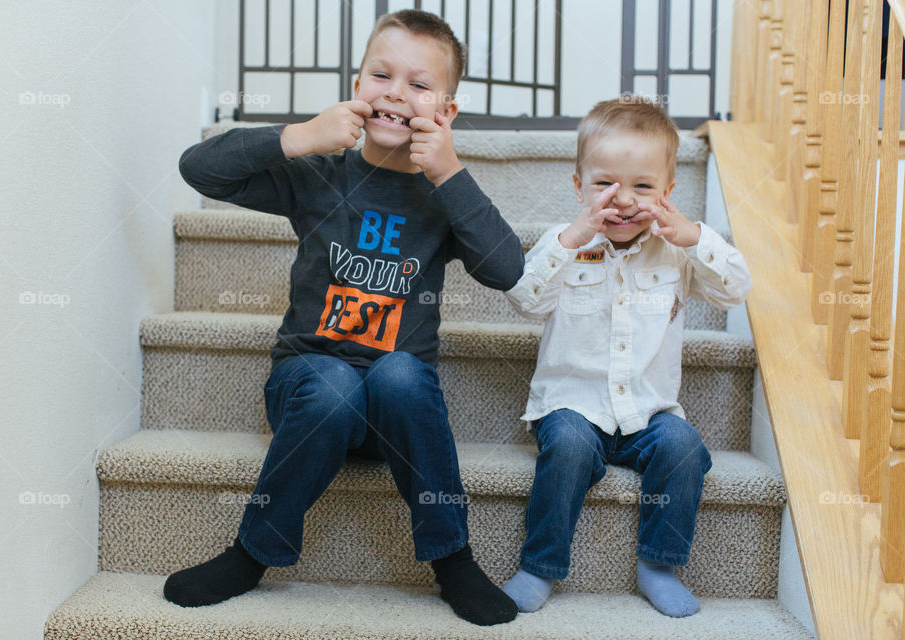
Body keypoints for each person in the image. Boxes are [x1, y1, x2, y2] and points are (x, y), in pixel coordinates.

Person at [162, 9, 523, 627]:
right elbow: (200, 169)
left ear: (446, 111)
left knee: (401, 376)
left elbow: (507, 268)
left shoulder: (444, 193)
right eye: (381, 75)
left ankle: (452, 558)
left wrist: (449, 170)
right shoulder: (320, 178)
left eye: (419, 84)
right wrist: (298, 136)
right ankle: (252, 553)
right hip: (309, 393)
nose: (395, 93)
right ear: (357, 87)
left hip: (395, 415)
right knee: (332, 383)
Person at [501, 96, 751, 617]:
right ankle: (539, 565)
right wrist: (572, 238)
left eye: (643, 186)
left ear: (668, 192)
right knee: (568, 446)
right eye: (604, 184)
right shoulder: (563, 244)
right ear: (578, 186)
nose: (624, 200)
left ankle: (658, 564)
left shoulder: (678, 252)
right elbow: (526, 298)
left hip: (646, 413)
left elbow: (735, 289)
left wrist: (697, 236)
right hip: (574, 405)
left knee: (682, 446)